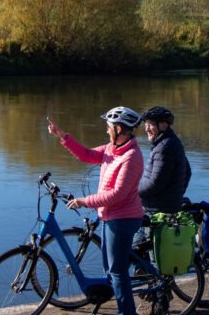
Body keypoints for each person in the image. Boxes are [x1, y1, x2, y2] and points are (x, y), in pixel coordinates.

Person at [48, 107, 144, 315]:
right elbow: (87, 155)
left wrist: (85, 201)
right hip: (109, 217)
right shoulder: (112, 149)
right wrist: (63, 136)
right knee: (111, 270)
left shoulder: (132, 156)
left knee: (118, 272)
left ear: (119, 129)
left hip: (124, 218)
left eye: (109, 127)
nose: (106, 131)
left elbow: (118, 194)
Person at [138, 106, 191, 214]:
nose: (147, 128)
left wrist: (133, 192)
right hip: (165, 206)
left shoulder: (164, 147)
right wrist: (176, 195)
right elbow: (188, 172)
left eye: (151, 124)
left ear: (163, 125)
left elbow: (155, 183)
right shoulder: (171, 141)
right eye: (146, 124)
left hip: (158, 209)